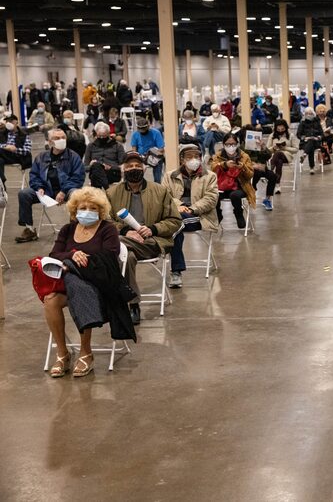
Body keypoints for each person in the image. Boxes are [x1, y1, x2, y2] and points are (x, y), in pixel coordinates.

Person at [43, 187, 124, 378]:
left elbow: (109, 256)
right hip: (69, 282)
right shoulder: (68, 229)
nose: (87, 211)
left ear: (101, 211)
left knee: (81, 291)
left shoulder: (108, 229)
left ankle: (85, 352)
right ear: (74, 210)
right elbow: (54, 254)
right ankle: (62, 353)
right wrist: (72, 255)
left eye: (93, 208)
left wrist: (78, 261)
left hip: (99, 283)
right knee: (50, 299)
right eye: (83, 207)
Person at [107, 151, 181, 324]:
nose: (134, 168)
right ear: (123, 169)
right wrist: (125, 231)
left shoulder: (160, 191)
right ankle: (134, 306)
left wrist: (153, 229)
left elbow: (175, 221)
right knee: (127, 257)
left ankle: (113, 299)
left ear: (144, 168)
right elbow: (106, 220)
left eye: (138, 165)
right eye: (130, 166)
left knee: (114, 245)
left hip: (152, 242)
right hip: (126, 244)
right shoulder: (111, 193)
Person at [161, 144, 219, 288]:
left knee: (173, 225)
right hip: (177, 216)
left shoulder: (210, 176)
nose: (194, 159)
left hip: (200, 217)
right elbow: (164, 196)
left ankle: (176, 271)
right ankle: (176, 270)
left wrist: (191, 209)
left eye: (196, 156)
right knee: (176, 226)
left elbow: (211, 199)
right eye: (189, 157)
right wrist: (179, 205)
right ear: (182, 160)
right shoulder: (170, 176)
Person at [15, 129, 85, 243]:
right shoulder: (41, 157)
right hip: (47, 191)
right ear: (49, 142)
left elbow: (78, 178)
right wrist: (39, 187)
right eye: (57, 138)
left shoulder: (74, 157)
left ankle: (74, 229)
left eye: (63, 137)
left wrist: (63, 191)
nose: (61, 140)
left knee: (76, 194)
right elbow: (34, 175)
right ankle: (29, 229)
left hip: (67, 190)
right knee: (24, 194)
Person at [211, 132, 255, 228]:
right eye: (228, 144)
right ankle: (218, 214)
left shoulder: (244, 156)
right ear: (223, 145)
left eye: (233, 144)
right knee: (213, 195)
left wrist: (243, 167)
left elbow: (250, 175)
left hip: (240, 186)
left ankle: (238, 214)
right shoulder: (218, 156)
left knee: (235, 195)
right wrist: (224, 164)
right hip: (222, 185)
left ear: (237, 144)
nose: (230, 146)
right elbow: (212, 169)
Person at [85, 121, 125, 189]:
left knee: (96, 172)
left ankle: (99, 193)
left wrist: (111, 167)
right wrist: (91, 166)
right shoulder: (91, 146)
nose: (101, 138)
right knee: (96, 166)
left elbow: (123, 165)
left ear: (109, 134)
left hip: (112, 173)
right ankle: (107, 189)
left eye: (104, 136)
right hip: (95, 173)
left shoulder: (117, 146)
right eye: (99, 136)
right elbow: (85, 168)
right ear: (96, 134)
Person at [130, 116, 165, 183]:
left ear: (148, 127)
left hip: (154, 156)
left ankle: (157, 183)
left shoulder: (156, 133)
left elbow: (161, 149)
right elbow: (134, 149)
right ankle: (138, 182)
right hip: (141, 156)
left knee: (158, 163)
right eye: (140, 129)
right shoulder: (135, 134)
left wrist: (152, 153)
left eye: (144, 129)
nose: (142, 131)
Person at [0, 114, 33, 185]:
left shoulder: (23, 134)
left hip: (17, 157)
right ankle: (2, 183)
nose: (9, 123)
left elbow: (27, 150)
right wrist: (6, 147)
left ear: (16, 122)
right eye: (7, 121)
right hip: (4, 155)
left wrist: (15, 149)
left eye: (11, 121)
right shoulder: (2, 133)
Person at [296, 106, 325, 174]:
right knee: (310, 144)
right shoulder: (302, 123)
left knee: (312, 142)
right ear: (305, 114)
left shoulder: (317, 122)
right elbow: (298, 134)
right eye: (307, 113)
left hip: (316, 141)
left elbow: (322, 134)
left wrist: (318, 137)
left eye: (310, 113)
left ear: (313, 114)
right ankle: (311, 168)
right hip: (305, 142)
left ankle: (305, 155)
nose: (309, 115)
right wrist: (305, 138)